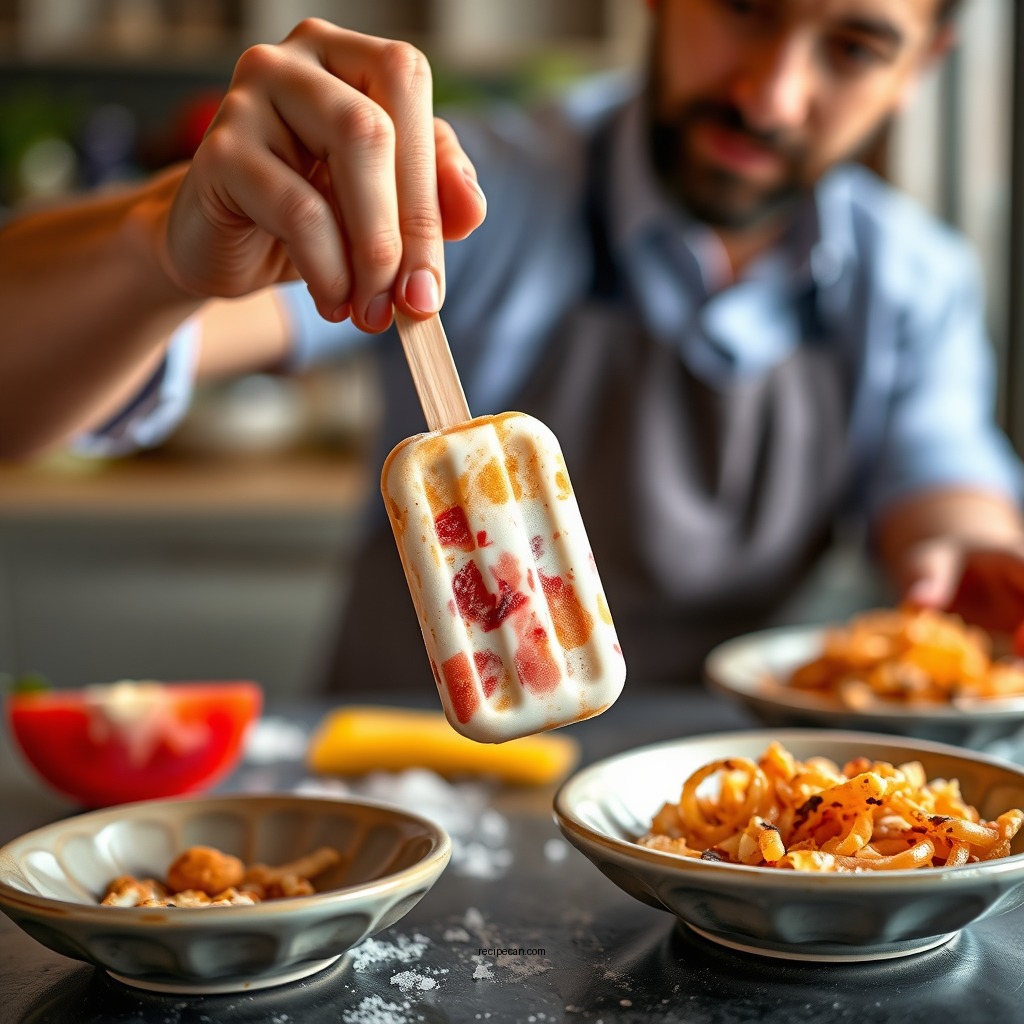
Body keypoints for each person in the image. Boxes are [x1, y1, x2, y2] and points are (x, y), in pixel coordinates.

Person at [2, 0, 1023, 690]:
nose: (769, 95)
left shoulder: (911, 278)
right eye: (743, 5)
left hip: (709, 815)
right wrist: (158, 252)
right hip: (415, 782)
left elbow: (938, 470)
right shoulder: (460, 194)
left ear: (918, 71)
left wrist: (970, 556)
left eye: (852, 48)